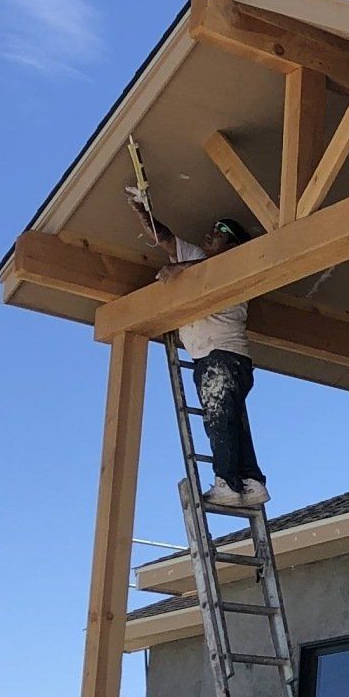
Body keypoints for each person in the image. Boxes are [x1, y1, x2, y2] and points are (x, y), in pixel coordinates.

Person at [126, 193, 269, 511]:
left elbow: (214, 270)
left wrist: (181, 271)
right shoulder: (197, 258)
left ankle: (228, 483)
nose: (212, 232)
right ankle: (250, 481)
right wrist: (141, 209)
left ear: (233, 245)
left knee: (218, 419)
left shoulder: (235, 265)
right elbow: (163, 238)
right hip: (221, 359)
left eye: (220, 230)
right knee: (231, 422)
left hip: (222, 356)